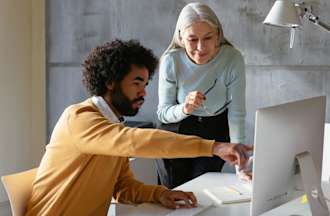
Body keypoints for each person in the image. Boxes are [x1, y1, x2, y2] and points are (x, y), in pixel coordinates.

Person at [25, 39, 252, 215]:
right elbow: (135, 140)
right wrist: (213, 147)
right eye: (136, 83)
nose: (143, 92)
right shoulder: (79, 118)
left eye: (145, 84)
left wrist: (160, 194)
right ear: (110, 82)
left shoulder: (111, 126)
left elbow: (122, 187)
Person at [156, 2, 250, 189]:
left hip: (215, 129)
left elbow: (237, 113)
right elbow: (163, 113)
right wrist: (184, 108)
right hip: (176, 129)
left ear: (218, 35)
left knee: (203, 188)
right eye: (193, 39)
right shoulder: (171, 61)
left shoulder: (232, 59)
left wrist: (242, 166)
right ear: (181, 38)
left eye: (208, 37)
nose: (201, 47)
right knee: (174, 191)